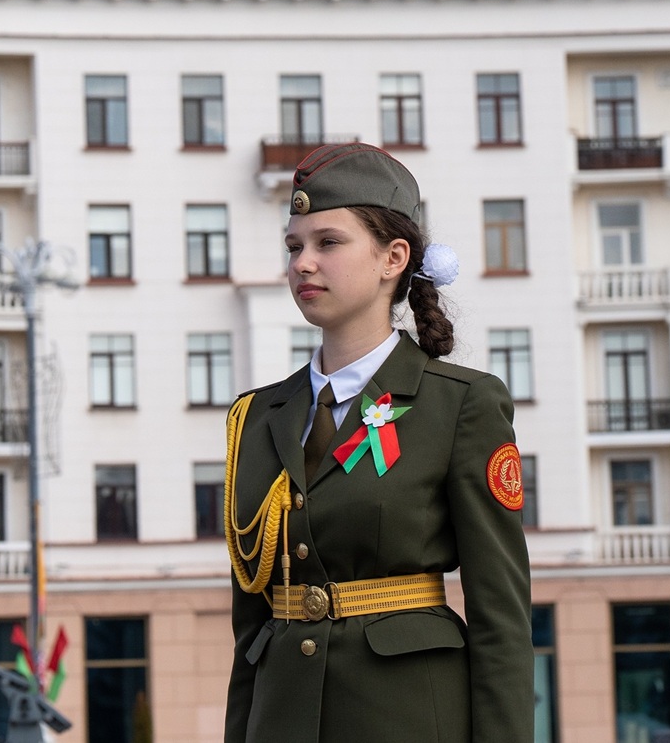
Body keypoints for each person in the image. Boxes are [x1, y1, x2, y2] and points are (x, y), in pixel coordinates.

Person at [224, 144, 533, 743]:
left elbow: (501, 619)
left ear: (394, 257)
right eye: (294, 247)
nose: (303, 264)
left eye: (328, 243)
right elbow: (250, 628)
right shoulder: (257, 417)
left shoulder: (460, 405)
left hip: (409, 715)